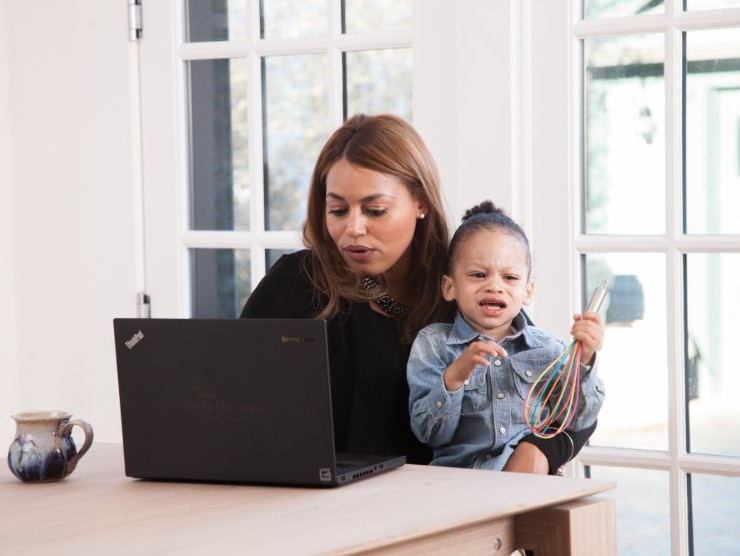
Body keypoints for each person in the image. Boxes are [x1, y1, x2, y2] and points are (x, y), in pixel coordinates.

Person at [240, 114, 596, 471]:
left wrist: (539, 452)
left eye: (375, 210)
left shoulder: (464, 283)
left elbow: (556, 395)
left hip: (440, 505)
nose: (354, 228)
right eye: (337, 210)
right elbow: (232, 399)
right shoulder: (297, 282)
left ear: (421, 202)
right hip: (318, 507)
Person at [407, 200, 606, 472]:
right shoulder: (433, 345)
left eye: (510, 278)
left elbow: (579, 419)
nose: (494, 286)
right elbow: (428, 433)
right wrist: (454, 378)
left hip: (533, 484)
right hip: (461, 486)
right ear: (449, 287)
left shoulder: (550, 348)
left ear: (528, 291)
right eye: (478, 274)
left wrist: (584, 360)